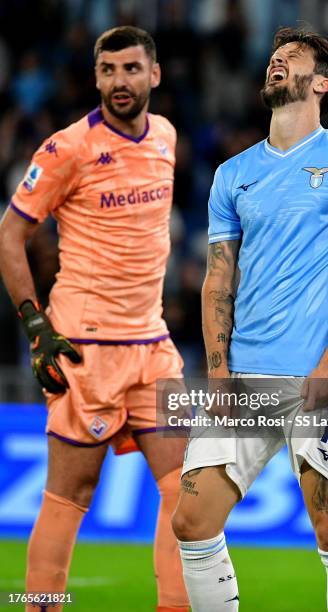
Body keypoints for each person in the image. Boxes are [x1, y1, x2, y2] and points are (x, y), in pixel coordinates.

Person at [172, 26, 328, 611]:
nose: (276, 63)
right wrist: (218, 374)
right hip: (243, 380)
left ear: (320, 83)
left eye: (291, 58)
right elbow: (219, 279)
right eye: (273, 57)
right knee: (191, 521)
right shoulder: (232, 175)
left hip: (319, 378)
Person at [0, 26, 189, 612]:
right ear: (96, 78)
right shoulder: (66, 149)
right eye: (108, 71)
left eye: (131, 69)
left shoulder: (165, 136)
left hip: (151, 342)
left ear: (153, 74)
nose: (119, 81)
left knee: (188, 487)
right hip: (85, 345)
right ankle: (38, 606)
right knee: (69, 494)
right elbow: (10, 236)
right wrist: (34, 323)